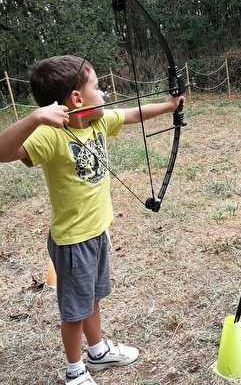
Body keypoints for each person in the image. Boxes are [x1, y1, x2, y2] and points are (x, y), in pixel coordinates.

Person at [0, 55, 185, 385]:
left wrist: (169, 107)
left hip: (97, 232)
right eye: (97, 87)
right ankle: (75, 371)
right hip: (72, 241)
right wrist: (35, 118)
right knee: (75, 311)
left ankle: (97, 353)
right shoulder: (50, 135)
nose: (105, 94)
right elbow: (1, 151)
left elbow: (132, 113)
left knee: (91, 299)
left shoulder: (98, 122)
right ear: (76, 99)